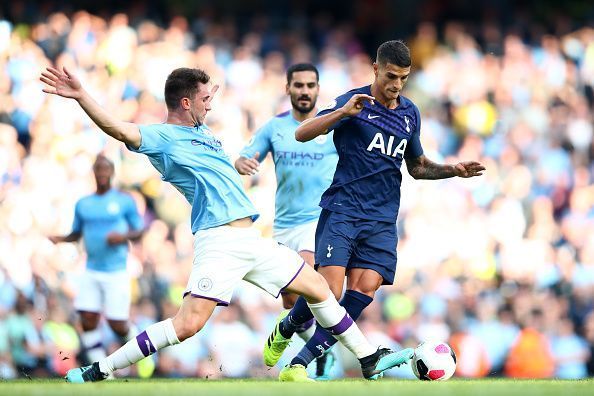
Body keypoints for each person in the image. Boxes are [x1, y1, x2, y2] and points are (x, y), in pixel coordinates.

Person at [39, 65, 413, 383]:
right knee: (187, 325)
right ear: (185, 103)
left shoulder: (202, 131)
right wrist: (82, 95)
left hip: (250, 237)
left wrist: (205, 93)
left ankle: (368, 358)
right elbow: (120, 129)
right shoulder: (163, 137)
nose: (210, 104)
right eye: (204, 99)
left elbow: (206, 120)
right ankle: (99, 370)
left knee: (317, 287)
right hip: (218, 241)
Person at [263, 40, 485, 381]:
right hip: (344, 209)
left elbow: (418, 167)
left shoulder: (409, 113)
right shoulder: (355, 102)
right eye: (391, 76)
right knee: (329, 291)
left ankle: (298, 364)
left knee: (364, 289)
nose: (396, 84)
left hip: (382, 218)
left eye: (404, 78)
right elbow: (302, 132)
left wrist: (452, 169)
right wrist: (341, 113)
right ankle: (288, 326)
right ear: (376, 69)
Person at [234, 63, 338, 378]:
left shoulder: (331, 127)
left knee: (305, 281)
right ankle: (320, 352)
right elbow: (246, 155)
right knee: (290, 301)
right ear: (288, 88)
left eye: (310, 85)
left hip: (317, 221)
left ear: (318, 89)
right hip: (284, 224)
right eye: (299, 85)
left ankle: (309, 353)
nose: (305, 91)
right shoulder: (273, 128)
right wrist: (241, 161)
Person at [49, 154, 144, 367]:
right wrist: (60, 239)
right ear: (94, 173)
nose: (102, 173)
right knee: (87, 319)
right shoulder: (84, 204)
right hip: (91, 269)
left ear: (112, 172)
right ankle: (101, 369)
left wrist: (122, 237)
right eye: (98, 169)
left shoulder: (123, 201)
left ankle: (144, 355)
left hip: (116, 270)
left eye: (105, 169)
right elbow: (77, 233)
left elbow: (139, 231)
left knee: (117, 323)